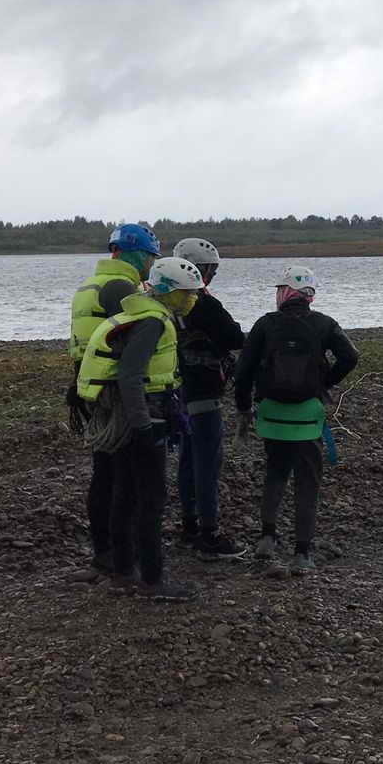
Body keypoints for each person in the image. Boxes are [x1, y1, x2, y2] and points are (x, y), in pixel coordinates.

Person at [77, 255, 204, 602]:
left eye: (194, 294)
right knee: (150, 499)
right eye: (185, 294)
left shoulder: (137, 314)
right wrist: (144, 426)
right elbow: (130, 375)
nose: (191, 300)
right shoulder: (152, 322)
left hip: (123, 416)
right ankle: (152, 578)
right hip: (143, 416)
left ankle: (122, 571)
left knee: (125, 494)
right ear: (167, 292)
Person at [234, 265, 359, 575]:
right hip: (307, 416)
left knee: (275, 472)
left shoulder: (265, 324)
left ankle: (266, 537)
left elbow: (243, 372)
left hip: (272, 414)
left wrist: (243, 409)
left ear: (283, 292)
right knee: (307, 482)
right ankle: (302, 554)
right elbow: (351, 357)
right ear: (309, 296)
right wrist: (324, 384)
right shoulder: (325, 324)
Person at [67, 222, 160, 576]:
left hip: (89, 384)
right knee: (120, 473)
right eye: (151, 257)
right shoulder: (120, 287)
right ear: (136, 253)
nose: (151, 264)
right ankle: (118, 554)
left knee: (103, 469)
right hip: (113, 391)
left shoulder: (91, 284)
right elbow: (137, 336)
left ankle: (104, 548)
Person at [171, 237, 245, 557]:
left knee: (188, 457)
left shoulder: (165, 301)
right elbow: (231, 335)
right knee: (207, 460)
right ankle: (209, 534)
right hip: (203, 391)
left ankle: (189, 524)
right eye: (209, 270)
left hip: (176, 390)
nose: (211, 276)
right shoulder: (204, 304)